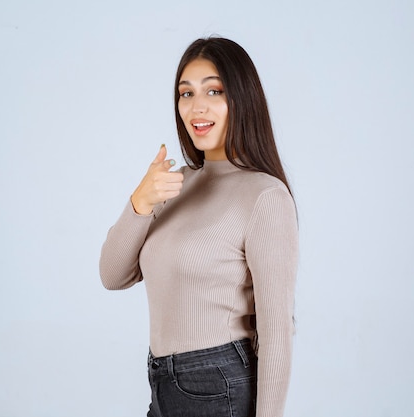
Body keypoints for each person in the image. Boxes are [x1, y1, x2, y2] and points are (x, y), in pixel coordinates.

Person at [99, 37, 299, 417]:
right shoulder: (174, 184)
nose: (197, 106)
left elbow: (276, 332)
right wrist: (140, 202)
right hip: (162, 380)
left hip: (216, 382)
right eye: (186, 93)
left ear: (242, 98)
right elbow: (112, 275)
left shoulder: (265, 196)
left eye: (215, 90)